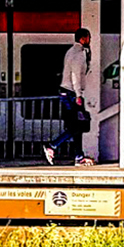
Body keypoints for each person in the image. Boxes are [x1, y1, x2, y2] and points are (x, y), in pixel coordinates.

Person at [44, 28, 93, 166]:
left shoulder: (70, 51)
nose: (89, 40)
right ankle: (52, 145)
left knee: (76, 125)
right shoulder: (79, 54)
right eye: (88, 38)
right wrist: (78, 95)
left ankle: (79, 156)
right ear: (83, 38)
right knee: (77, 126)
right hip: (71, 93)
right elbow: (75, 75)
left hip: (66, 92)